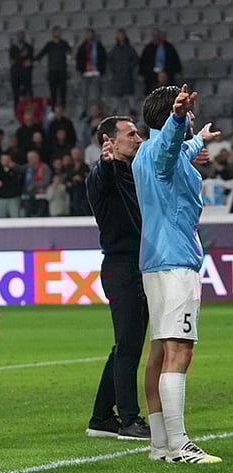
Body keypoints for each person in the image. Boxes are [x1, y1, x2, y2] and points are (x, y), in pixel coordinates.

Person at [132, 85, 222, 463]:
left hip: (156, 262)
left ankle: (160, 443)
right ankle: (180, 444)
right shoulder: (162, 150)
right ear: (170, 114)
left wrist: (195, 138)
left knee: (159, 351)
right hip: (175, 262)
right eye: (186, 112)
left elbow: (174, 151)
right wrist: (179, 118)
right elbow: (171, 148)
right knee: (179, 351)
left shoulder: (144, 154)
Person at [85, 116, 151, 441]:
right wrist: (106, 162)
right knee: (128, 347)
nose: (138, 139)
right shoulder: (105, 174)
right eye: (130, 134)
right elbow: (103, 178)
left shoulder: (134, 173)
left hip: (137, 266)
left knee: (127, 345)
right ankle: (129, 420)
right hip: (121, 267)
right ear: (109, 141)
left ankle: (101, 418)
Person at [35, 26, 71, 108]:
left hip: (62, 70)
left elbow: (70, 53)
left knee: (63, 92)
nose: (58, 33)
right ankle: (53, 108)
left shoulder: (64, 43)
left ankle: (63, 107)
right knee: (53, 92)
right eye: (56, 32)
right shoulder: (49, 44)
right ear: (53, 33)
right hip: (52, 71)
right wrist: (35, 59)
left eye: (59, 32)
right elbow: (41, 54)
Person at [138, 29, 182, 96]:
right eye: (154, 35)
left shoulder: (168, 48)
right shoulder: (148, 48)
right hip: (151, 79)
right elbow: (144, 64)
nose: (156, 37)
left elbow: (174, 62)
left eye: (157, 35)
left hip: (167, 77)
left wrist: (166, 73)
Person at [106, 29, 139, 114]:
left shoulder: (129, 49)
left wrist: (129, 68)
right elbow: (109, 61)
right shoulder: (114, 50)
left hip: (128, 78)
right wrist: (114, 69)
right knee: (117, 99)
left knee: (129, 99)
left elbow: (135, 59)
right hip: (117, 79)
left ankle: (132, 113)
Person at [75, 29, 107, 113]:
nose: (89, 36)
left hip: (96, 73)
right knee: (84, 95)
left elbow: (103, 58)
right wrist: (81, 70)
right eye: (88, 34)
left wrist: (101, 70)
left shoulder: (99, 46)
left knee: (96, 95)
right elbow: (78, 59)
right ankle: (84, 111)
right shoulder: (82, 47)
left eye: (91, 34)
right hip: (85, 74)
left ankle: (98, 112)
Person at [9, 31, 34, 107]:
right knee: (16, 94)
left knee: (28, 92)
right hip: (15, 73)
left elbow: (30, 61)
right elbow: (12, 61)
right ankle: (17, 111)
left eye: (22, 36)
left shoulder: (29, 47)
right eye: (19, 36)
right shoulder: (13, 48)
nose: (21, 37)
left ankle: (30, 109)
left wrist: (18, 60)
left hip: (26, 73)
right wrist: (21, 56)